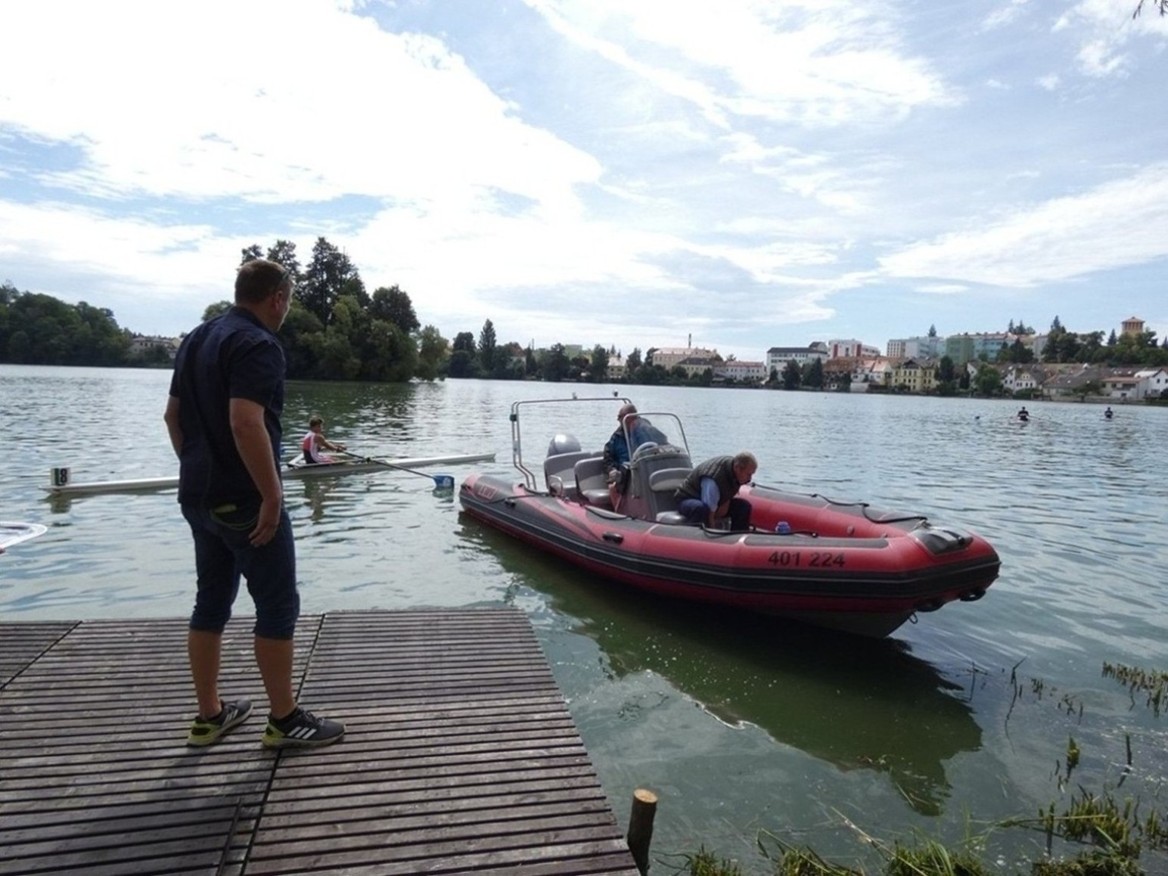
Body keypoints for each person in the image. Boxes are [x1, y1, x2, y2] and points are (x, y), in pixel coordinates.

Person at [164, 258, 345, 750]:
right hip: (245, 500)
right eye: (288, 301)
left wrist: (199, 468)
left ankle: (209, 716)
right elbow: (245, 421)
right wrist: (271, 494)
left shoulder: (197, 338)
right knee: (278, 607)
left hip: (198, 497)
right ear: (277, 298)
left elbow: (172, 417)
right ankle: (284, 721)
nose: (286, 310)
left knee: (210, 602)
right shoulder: (258, 344)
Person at [675, 452, 758, 531]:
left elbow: (728, 493)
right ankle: (695, 536)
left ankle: (737, 536)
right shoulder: (714, 480)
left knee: (743, 507)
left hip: (714, 502)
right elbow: (710, 512)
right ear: (737, 468)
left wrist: (724, 503)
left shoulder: (734, 470)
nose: (750, 479)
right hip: (688, 498)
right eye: (748, 474)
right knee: (701, 509)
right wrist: (713, 531)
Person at [602, 403, 647, 509]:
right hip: (625, 474)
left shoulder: (648, 430)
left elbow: (663, 444)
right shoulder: (617, 437)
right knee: (613, 487)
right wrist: (612, 470)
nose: (618, 420)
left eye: (620, 417)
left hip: (646, 470)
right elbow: (607, 457)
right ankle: (620, 513)